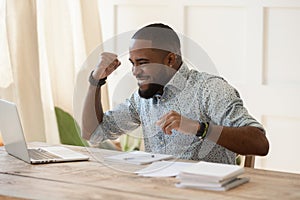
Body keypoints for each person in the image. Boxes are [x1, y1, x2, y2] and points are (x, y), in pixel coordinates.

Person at [81, 23, 269, 164]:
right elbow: (93, 133)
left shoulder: (210, 90)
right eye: (133, 63)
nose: (135, 71)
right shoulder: (141, 99)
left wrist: (199, 128)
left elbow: (260, 143)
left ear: (170, 59)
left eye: (143, 62)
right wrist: (96, 81)